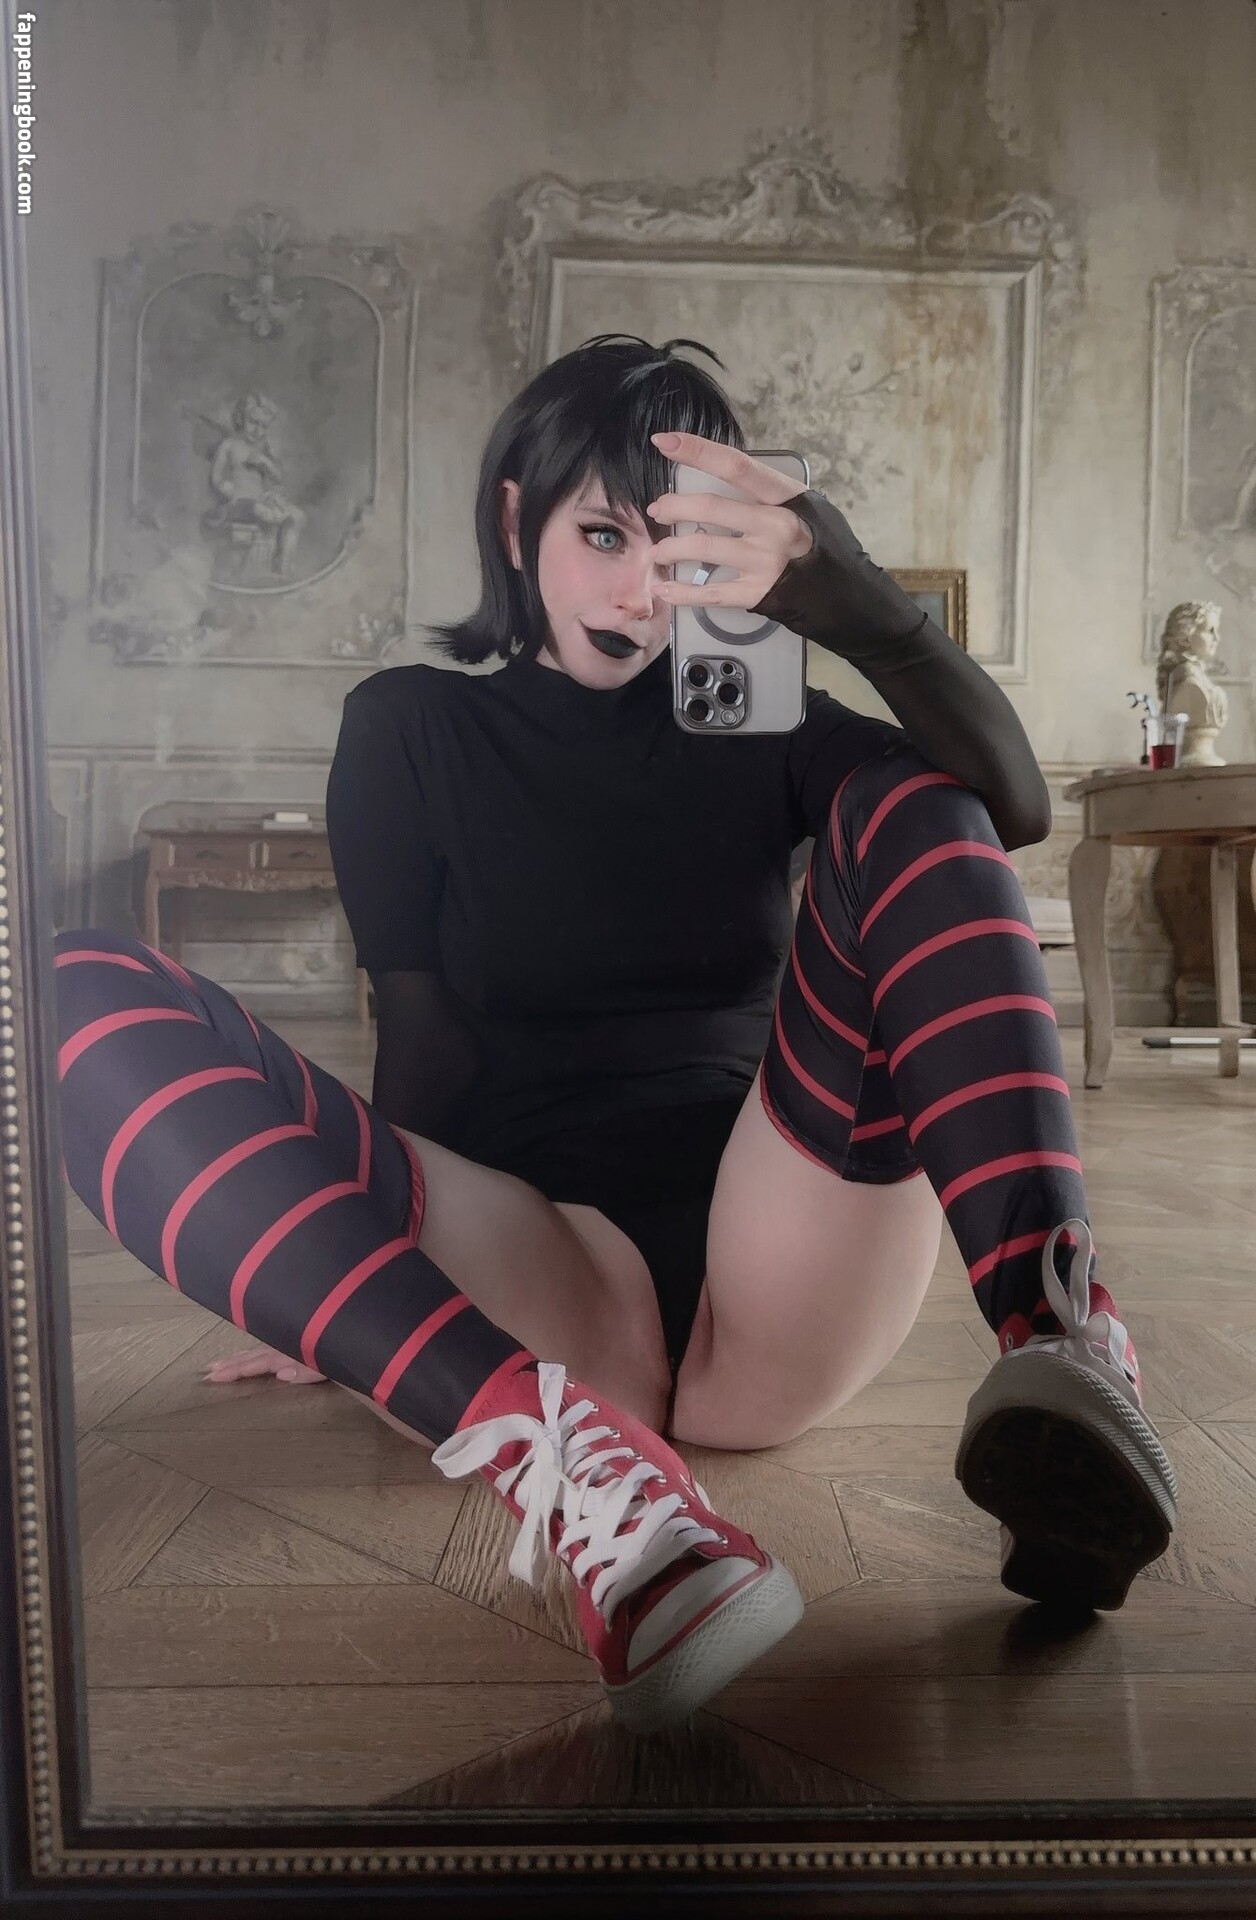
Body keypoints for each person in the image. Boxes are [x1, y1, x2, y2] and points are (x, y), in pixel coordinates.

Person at [54, 335, 1177, 1736]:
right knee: (70, 995)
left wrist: (857, 606)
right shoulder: (409, 727)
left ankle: (1063, 1340)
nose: (643, 592)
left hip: (783, 1243)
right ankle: (600, 1487)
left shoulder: (751, 714)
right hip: (542, 1273)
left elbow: (1007, 809)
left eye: (680, 552)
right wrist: (333, 1272)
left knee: (923, 798)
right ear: (515, 520)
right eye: (602, 536)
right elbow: (420, 1046)